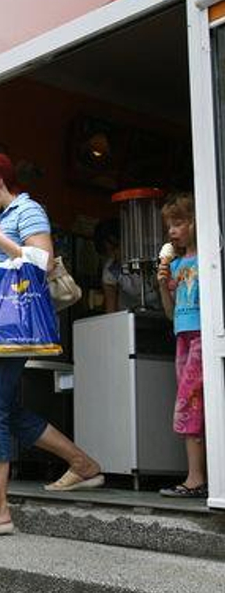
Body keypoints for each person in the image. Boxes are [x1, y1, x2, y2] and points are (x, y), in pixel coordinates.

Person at [0, 153, 103, 537]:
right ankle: (82, 464)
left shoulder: (28, 210)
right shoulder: (0, 221)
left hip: (13, 325)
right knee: (4, 407)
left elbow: (41, 262)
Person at [156, 193, 207, 498]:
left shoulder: (208, 260)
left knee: (188, 403)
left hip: (201, 336)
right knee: (191, 403)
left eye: (179, 223)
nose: (172, 231)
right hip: (183, 337)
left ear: (195, 222)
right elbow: (169, 311)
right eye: (170, 226)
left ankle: (195, 478)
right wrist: (163, 284)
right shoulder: (176, 265)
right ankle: (198, 476)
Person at [94, 218, 161, 312]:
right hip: (129, 316)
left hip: (159, 312)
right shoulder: (111, 270)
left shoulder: (152, 253)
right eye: (109, 253)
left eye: (115, 248)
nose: (114, 255)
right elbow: (110, 308)